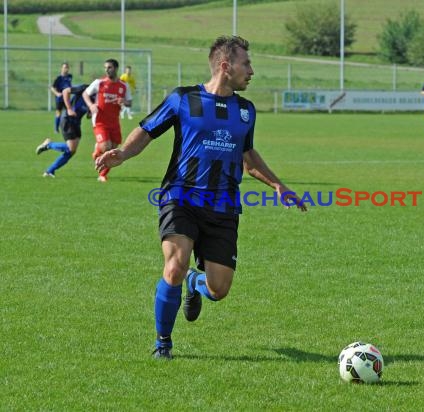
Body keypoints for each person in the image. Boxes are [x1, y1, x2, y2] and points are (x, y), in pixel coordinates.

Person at [95, 35, 307, 360]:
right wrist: (122, 153)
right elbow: (148, 129)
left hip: (223, 206)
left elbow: (247, 156)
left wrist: (277, 185)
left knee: (218, 290)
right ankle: (163, 342)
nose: (251, 70)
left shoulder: (246, 111)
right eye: (246, 63)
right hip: (180, 197)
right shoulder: (183, 99)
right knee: (175, 264)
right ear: (226, 66)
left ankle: (195, 283)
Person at [83, 58, 132, 182]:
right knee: (106, 147)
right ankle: (98, 152)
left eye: (109, 67)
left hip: (114, 121)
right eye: (105, 67)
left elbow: (129, 103)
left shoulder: (123, 86)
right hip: (100, 121)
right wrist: (91, 105)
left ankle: (102, 174)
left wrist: (124, 102)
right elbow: (85, 94)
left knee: (113, 151)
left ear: (115, 68)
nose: (107, 69)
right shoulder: (99, 83)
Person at [36, 84, 91, 177]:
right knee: (71, 148)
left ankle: (50, 171)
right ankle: (48, 144)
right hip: (68, 119)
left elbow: (89, 114)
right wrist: (69, 109)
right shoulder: (85, 88)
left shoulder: (98, 95)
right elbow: (66, 91)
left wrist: (91, 112)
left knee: (71, 151)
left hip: (77, 122)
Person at [50, 62, 73, 133]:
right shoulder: (58, 78)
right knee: (58, 114)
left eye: (67, 67)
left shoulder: (70, 76)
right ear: (61, 68)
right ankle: (56, 129)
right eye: (64, 67)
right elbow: (52, 87)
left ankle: (68, 128)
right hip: (59, 99)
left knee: (69, 113)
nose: (66, 69)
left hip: (67, 99)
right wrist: (57, 93)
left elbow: (69, 86)